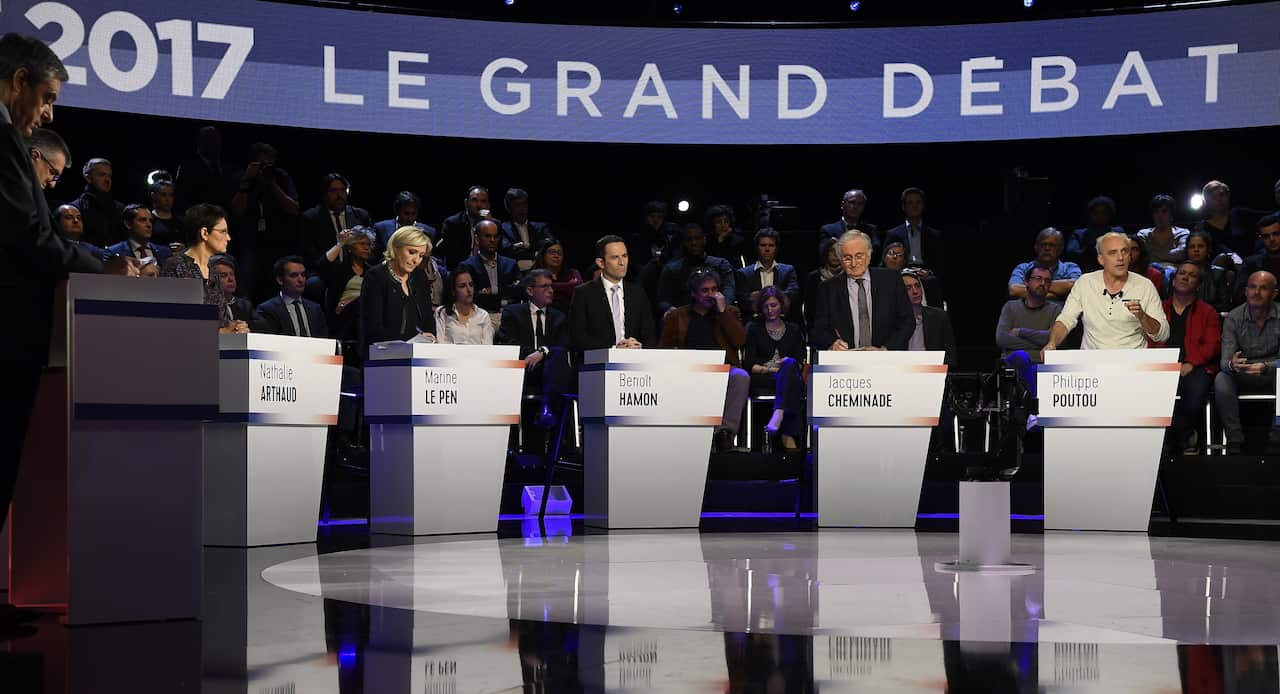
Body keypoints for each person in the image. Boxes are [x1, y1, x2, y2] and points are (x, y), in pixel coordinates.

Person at [1, 36, 105, 624]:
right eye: (46, 98)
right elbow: (27, 238)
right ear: (18, 80)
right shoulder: (3, 143)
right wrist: (102, 267)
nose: (48, 114)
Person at [659, 268, 751, 453]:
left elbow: (740, 341)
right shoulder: (677, 316)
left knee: (740, 376)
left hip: (723, 370)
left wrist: (723, 311)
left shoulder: (729, 312)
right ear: (694, 293)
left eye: (714, 289)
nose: (711, 294)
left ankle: (724, 434)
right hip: (688, 371)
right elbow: (663, 350)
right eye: (705, 290)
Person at [1044, 232, 1169, 351]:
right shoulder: (1085, 282)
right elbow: (1066, 319)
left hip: (1132, 364)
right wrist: (1052, 343)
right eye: (1112, 253)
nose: (1120, 258)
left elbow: (1163, 334)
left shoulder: (1145, 286)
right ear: (1101, 259)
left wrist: (1142, 317)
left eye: (1124, 251)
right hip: (1093, 363)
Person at [810, 231, 915, 352]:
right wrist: (832, 343)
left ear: (869, 255)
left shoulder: (891, 280)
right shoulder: (827, 288)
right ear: (840, 259)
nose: (854, 264)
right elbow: (819, 329)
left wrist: (886, 349)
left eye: (859, 256)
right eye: (847, 258)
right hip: (845, 361)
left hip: (886, 358)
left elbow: (907, 321)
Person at [1156, 262, 1221, 454]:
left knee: (1194, 396)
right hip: (1163, 366)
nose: (1185, 277)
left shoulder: (1207, 312)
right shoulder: (1159, 309)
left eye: (1191, 275)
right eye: (1181, 274)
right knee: (1152, 395)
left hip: (1198, 366)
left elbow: (1213, 344)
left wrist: (1190, 363)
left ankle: (1172, 438)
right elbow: (1149, 340)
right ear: (1174, 280)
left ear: (1198, 285)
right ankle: (1185, 435)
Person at [1214, 270, 1280, 455]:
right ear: (1245, 291)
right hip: (1243, 372)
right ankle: (1234, 439)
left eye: (1263, 288)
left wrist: (1267, 367)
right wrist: (1232, 365)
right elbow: (1225, 361)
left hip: (1272, 371)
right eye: (1252, 287)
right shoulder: (1234, 318)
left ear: (1274, 293)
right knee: (1221, 378)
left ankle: (1277, 438)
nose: (1256, 292)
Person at [497, 269, 571, 430]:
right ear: (530, 290)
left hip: (552, 370)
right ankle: (546, 408)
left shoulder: (559, 317)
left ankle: (547, 407)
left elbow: (564, 344)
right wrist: (534, 353)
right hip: (526, 369)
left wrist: (543, 352)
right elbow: (508, 343)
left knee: (558, 354)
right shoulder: (513, 313)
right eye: (544, 287)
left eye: (551, 286)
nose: (551, 291)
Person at [160, 203, 248, 334]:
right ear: (204, 233)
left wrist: (235, 327)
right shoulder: (176, 266)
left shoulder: (213, 271)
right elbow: (176, 322)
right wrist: (222, 331)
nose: (228, 238)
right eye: (223, 232)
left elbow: (219, 320)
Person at [229, 142, 300, 300]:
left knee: (278, 284)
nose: (265, 168)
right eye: (261, 164)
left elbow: (294, 208)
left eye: (269, 163)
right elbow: (237, 210)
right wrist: (247, 181)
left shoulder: (280, 177)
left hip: (277, 240)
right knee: (247, 283)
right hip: (250, 241)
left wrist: (272, 185)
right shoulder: (242, 177)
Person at [742, 286, 806, 452]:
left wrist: (787, 365)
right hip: (763, 377)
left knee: (790, 364)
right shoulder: (753, 328)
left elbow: (800, 363)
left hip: (789, 375)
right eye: (766, 306)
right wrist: (771, 370)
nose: (770, 310)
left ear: (781, 306)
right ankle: (788, 434)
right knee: (792, 384)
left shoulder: (793, 329)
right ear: (761, 308)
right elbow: (748, 364)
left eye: (774, 305)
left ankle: (779, 412)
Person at [569, 235, 656, 351]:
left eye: (624, 256)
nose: (622, 262)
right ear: (601, 263)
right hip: (598, 364)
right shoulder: (583, 293)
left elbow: (649, 334)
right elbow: (577, 337)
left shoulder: (638, 293)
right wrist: (613, 349)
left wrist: (639, 347)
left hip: (634, 362)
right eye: (615, 257)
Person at [359, 225, 436, 352]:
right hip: (381, 353)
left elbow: (428, 320)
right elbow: (373, 328)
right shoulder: (376, 277)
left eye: (421, 255)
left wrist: (429, 337)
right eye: (412, 252)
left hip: (418, 353)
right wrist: (409, 341)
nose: (416, 260)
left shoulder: (420, 277)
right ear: (396, 247)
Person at [996, 265, 1063, 397]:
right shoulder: (1010, 307)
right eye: (1038, 278)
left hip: (1040, 363)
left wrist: (1022, 332)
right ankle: (1034, 404)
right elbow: (1001, 338)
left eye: (1047, 281)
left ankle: (1031, 406)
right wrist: (1041, 343)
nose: (1043, 283)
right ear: (1026, 282)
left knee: (1033, 369)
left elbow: (1053, 338)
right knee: (1022, 356)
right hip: (1013, 362)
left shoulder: (1055, 310)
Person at [655, 222, 737, 317]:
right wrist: (672, 310)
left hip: (716, 316)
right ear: (683, 243)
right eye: (689, 240)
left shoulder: (721, 265)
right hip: (684, 320)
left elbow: (729, 293)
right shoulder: (671, 269)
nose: (694, 243)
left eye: (697, 238)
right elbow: (662, 301)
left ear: (704, 240)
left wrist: (721, 307)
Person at [317, 225, 377, 341]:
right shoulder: (340, 269)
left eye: (369, 245)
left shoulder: (373, 273)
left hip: (366, 319)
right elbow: (322, 266)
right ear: (350, 248)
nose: (366, 248)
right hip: (343, 321)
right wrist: (340, 244)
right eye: (362, 244)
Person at [458, 218, 521, 327]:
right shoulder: (467, 266)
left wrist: (493, 290)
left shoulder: (511, 264)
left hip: (508, 316)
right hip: (479, 317)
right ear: (477, 239)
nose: (492, 240)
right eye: (487, 236)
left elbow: (520, 290)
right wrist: (505, 291)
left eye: (495, 236)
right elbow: (472, 296)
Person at [253, 255, 328, 337]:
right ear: (280, 280)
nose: (301, 280)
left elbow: (325, 339)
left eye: (303, 275)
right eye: (294, 275)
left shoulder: (315, 309)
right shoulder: (267, 310)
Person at [735, 228, 799, 323]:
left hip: (782, 321)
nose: (767, 249)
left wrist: (762, 296)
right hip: (754, 323)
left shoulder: (788, 270)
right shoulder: (744, 273)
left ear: (776, 248)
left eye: (771, 245)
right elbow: (742, 300)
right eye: (763, 245)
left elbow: (793, 294)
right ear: (757, 247)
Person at [1007, 227, 1081, 301]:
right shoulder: (1023, 268)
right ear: (1036, 247)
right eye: (1043, 244)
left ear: (1060, 249)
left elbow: (1074, 286)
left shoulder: (1070, 268)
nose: (1047, 248)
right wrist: (1059, 295)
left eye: (1052, 245)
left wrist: (1034, 288)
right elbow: (1014, 291)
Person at [885, 187, 945, 277]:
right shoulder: (893, 234)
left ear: (923, 206)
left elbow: (941, 263)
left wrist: (929, 273)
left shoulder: (934, 235)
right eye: (910, 203)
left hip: (927, 276)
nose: (915, 206)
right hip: (901, 275)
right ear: (903, 207)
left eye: (918, 202)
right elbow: (885, 262)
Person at [902, 269, 957, 366]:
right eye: (908, 288)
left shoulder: (939, 317)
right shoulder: (892, 320)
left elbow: (951, 358)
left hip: (931, 370)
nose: (915, 291)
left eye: (917, 286)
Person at [434, 267, 494, 345]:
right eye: (462, 286)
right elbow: (440, 343)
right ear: (453, 291)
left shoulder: (483, 315)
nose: (469, 290)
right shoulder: (442, 313)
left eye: (471, 285)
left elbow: (488, 347)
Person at [72, 157, 123, 247]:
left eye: (109, 176)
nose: (107, 180)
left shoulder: (120, 208)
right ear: (88, 178)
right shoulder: (74, 208)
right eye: (102, 175)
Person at [499, 187, 553, 272]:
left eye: (524, 204)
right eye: (517, 205)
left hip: (540, 272)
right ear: (508, 208)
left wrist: (527, 246)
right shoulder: (502, 228)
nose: (522, 208)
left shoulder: (541, 227)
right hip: (515, 273)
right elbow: (508, 252)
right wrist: (536, 252)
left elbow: (550, 245)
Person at [1066, 196, 1125, 272]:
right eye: (1096, 213)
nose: (1099, 216)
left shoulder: (1118, 232)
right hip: (1086, 272)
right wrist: (1089, 248)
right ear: (1090, 214)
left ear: (1110, 215)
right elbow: (1071, 254)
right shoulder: (1079, 234)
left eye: (1104, 213)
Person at [438, 185, 493, 267]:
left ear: (488, 205)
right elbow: (451, 256)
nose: (479, 205)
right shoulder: (453, 224)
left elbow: (498, 252)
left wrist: (490, 224)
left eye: (483, 201)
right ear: (466, 203)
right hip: (462, 268)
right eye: (474, 200)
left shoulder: (494, 224)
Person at [372, 190, 436, 257]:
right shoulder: (381, 228)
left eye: (413, 214)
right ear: (397, 211)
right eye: (406, 213)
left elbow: (436, 259)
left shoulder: (429, 232)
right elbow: (374, 257)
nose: (410, 218)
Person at [1233, 215, 1280, 304]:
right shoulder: (1251, 264)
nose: (1272, 239)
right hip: (1259, 312)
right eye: (1266, 236)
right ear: (1261, 238)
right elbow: (1239, 295)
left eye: (1276, 234)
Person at [1184, 230, 1233, 312]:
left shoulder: (1218, 274)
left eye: (1200, 246)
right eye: (1192, 246)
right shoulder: (1178, 275)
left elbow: (1225, 305)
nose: (1196, 250)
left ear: (1208, 249)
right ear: (1187, 250)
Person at [106, 204, 171, 265]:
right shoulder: (114, 252)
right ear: (128, 224)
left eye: (150, 221)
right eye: (143, 220)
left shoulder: (165, 252)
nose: (149, 225)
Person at [1136, 194, 1190, 265]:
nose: (1160, 215)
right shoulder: (1143, 234)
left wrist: (1152, 254)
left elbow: (1181, 254)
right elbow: (1140, 255)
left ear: (1171, 214)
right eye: (1156, 212)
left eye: (1164, 211)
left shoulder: (1182, 233)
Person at [802, 237, 843, 330]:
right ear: (826, 253)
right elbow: (809, 309)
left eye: (839, 251)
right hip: (820, 326)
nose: (835, 254)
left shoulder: (848, 276)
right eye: (832, 251)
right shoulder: (814, 277)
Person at [534, 238, 582, 312]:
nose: (556, 256)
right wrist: (568, 286)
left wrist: (549, 286)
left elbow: (579, 289)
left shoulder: (572, 273)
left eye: (559, 253)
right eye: (551, 252)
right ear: (543, 255)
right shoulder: (535, 274)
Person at [209, 254, 255, 325]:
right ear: (211, 279)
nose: (231, 279)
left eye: (232, 274)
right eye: (224, 275)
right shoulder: (205, 305)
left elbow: (262, 328)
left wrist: (245, 326)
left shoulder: (245, 306)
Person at [148, 179, 183, 247]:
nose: (168, 199)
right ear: (153, 196)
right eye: (163, 195)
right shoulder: (148, 220)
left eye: (171, 195)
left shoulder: (180, 222)